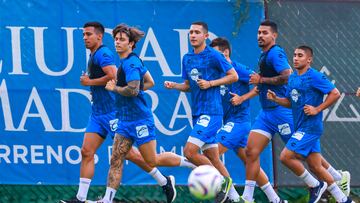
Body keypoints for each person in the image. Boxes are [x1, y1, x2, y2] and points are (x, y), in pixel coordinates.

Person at [60, 22, 194, 203]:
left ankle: (171, 177)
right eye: (116, 39)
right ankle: (85, 198)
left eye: (88, 34)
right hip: (105, 114)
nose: (85, 37)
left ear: (99, 36)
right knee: (94, 153)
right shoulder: (108, 57)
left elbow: (116, 78)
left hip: (116, 114)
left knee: (138, 156)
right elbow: (143, 83)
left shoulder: (107, 55)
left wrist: (96, 84)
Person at [240, 20, 350, 203]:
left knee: (303, 155)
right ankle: (248, 197)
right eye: (259, 32)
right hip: (267, 112)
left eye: (264, 33)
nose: (260, 35)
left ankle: (333, 179)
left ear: (274, 36)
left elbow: (285, 76)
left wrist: (262, 80)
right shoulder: (265, 54)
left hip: (282, 113)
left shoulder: (276, 53)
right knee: (251, 151)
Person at [267, 45, 354, 203]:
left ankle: (315, 186)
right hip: (300, 127)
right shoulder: (292, 77)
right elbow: (290, 102)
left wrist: (317, 109)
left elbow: (335, 93)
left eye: (300, 55)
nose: (295, 58)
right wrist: (276, 100)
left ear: (309, 60)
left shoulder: (315, 76)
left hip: (311, 128)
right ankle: (344, 200)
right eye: (294, 55)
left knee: (285, 156)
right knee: (315, 166)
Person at [164, 22, 238, 203]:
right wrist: (175, 86)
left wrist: (211, 83)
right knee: (214, 158)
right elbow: (189, 86)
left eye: (197, 32)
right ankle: (235, 199)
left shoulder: (214, 55)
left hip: (212, 113)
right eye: (190, 32)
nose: (193, 35)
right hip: (197, 113)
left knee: (189, 151)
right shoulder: (187, 58)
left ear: (206, 36)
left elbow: (233, 76)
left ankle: (222, 182)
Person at [209, 37, 287, 203]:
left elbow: (259, 85)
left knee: (211, 153)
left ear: (225, 53)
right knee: (249, 161)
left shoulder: (238, 69)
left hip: (239, 122)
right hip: (231, 121)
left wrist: (242, 98)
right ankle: (275, 200)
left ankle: (234, 197)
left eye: (214, 54)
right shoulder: (217, 72)